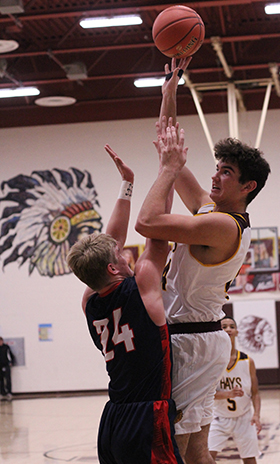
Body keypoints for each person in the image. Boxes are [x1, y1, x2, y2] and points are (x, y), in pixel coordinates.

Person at [135, 58, 271, 464]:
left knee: (178, 446)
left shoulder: (224, 226)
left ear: (247, 186)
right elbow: (170, 154)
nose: (215, 176)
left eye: (225, 172)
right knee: (194, 448)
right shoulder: (212, 211)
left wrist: (169, 167)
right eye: (216, 168)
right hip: (196, 336)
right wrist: (169, 94)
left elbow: (147, 222)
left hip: (192, 339)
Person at [66, 145, 183, 464]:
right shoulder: (143, 281)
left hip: (113, 419)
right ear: (112, 269)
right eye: (120, 256)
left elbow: (110, 244)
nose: (126, 253)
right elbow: (158, 229)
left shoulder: (89, 300)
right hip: (148, 415)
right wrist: (168, 171)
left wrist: (127, 183)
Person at [208, 316, 261, 464]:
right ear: (219, 332)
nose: (228, 329)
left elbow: (255, 393)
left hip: (244, 417)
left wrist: (256, 414)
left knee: (250, 460)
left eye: (231, 326)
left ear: (237, 332)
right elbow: (207, 395)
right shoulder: (213, 362)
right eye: (224, 327)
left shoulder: (247, 361)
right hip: (218, 417)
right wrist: (227, 394)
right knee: (206, 458)